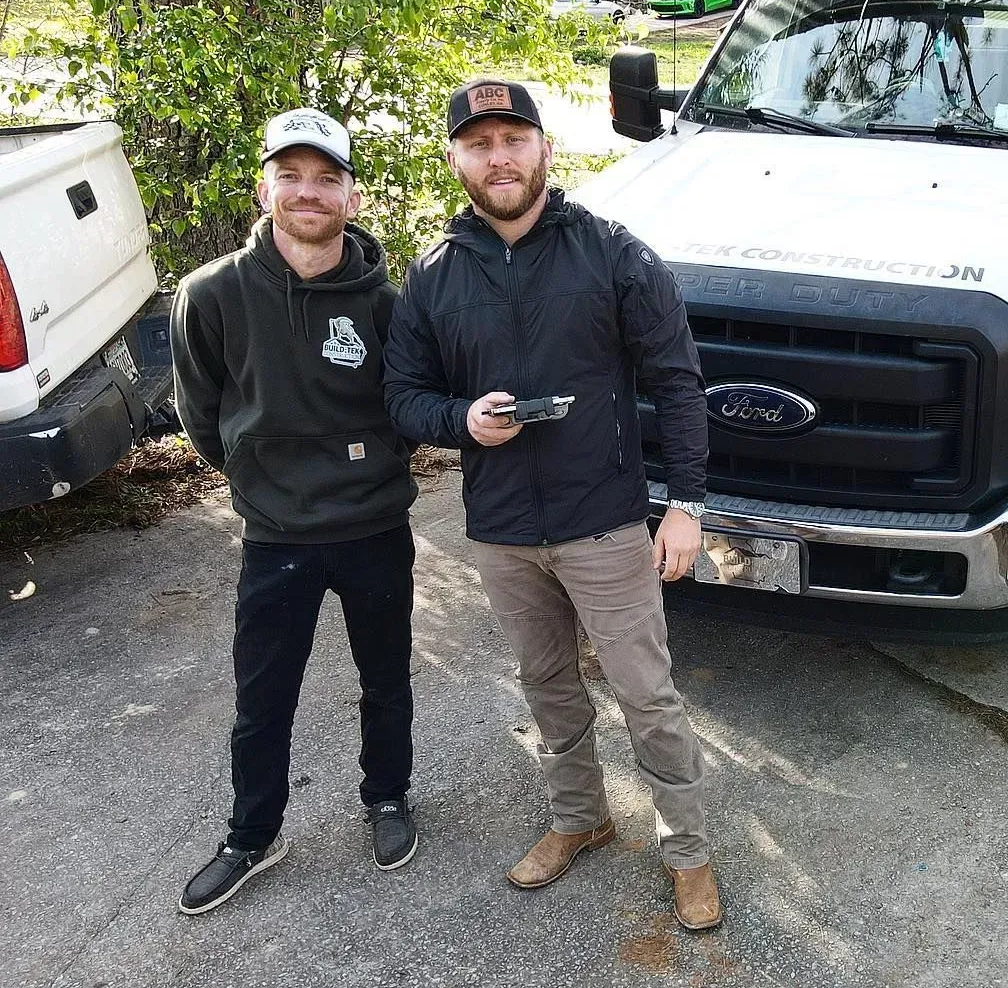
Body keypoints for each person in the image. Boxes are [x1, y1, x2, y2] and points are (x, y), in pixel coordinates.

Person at [382, 79, 721, 930]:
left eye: (513, 139)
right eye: (479, 143)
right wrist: (461, 420)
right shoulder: (433, 276)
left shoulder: (612, 253)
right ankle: (581, 818)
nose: (498, 158)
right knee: (547, 688)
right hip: (502, 533)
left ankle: (688, 851)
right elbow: (402, 398)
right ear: (456, 158)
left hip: (602, 523)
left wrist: (686, 504)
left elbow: (678, 383)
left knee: (647, 694)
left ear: (543, 148)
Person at [171, 108, 420, 915]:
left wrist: (369, 472)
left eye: (326, 178)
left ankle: (386, 797)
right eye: (291, 175)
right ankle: (252, 835)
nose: (307, 192)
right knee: (263, 697)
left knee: (385, 678)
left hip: (374, 526)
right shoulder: (209, 294)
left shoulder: (385, 302)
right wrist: (259, 478)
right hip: (275, 536)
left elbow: (406, 409)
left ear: (352, 195)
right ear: (264, 186)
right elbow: (203, 418)